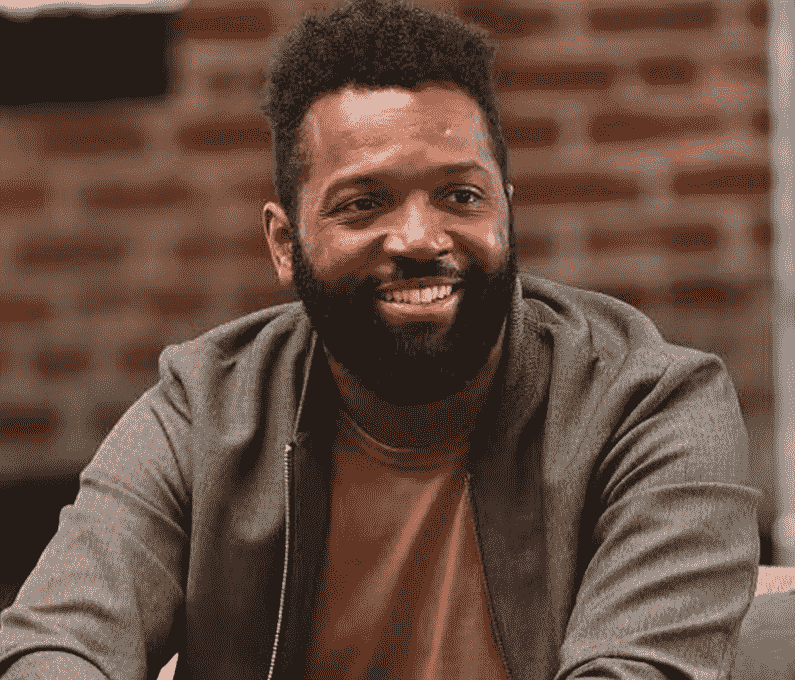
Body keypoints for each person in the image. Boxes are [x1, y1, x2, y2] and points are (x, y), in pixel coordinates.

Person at [0, 0, 761, 678]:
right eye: (363, 204)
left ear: (506, 209)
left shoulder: (649, 408)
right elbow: (58, 639)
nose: (420, 238)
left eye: (460, 195)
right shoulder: (204, 409)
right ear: (284, 242)